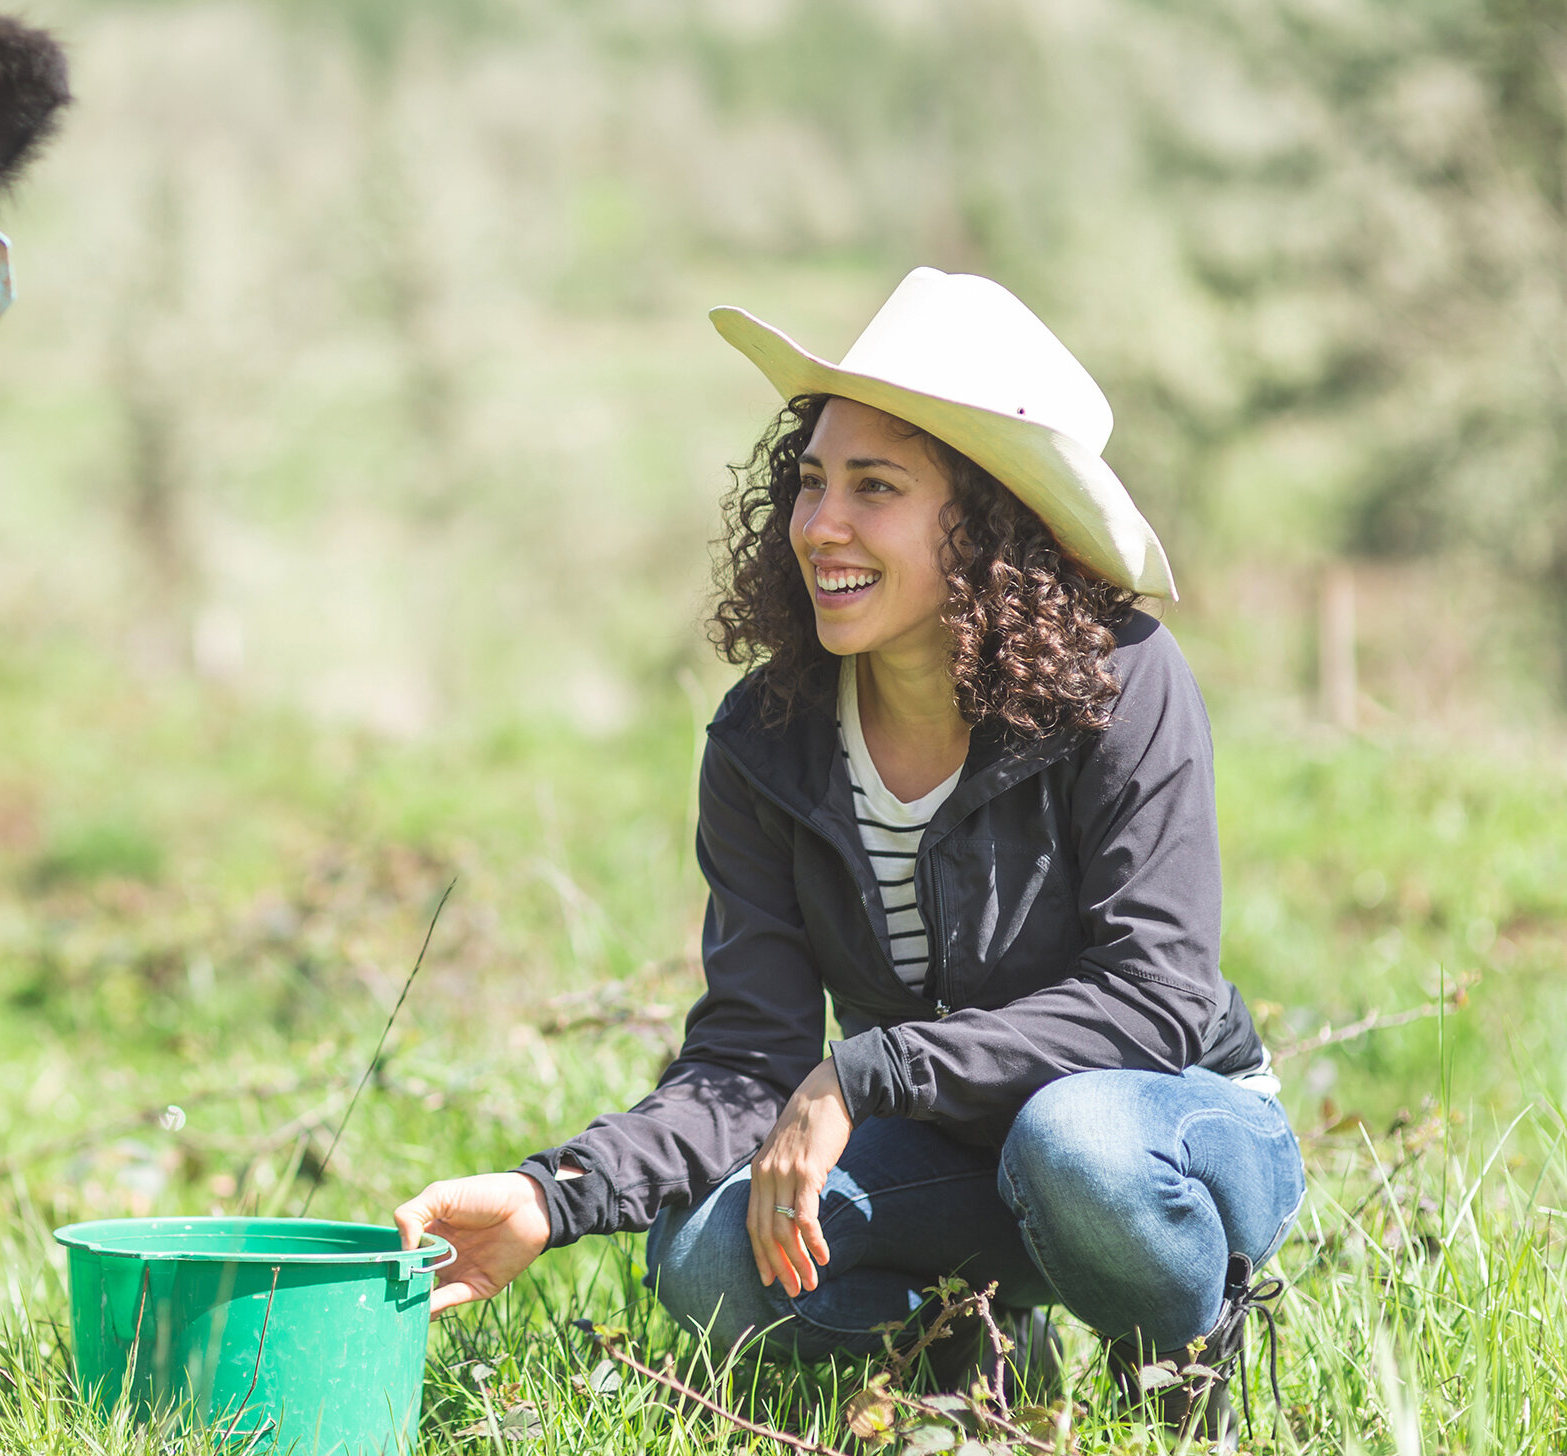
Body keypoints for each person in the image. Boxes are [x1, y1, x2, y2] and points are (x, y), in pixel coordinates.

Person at [393, 269, 1301, 1449]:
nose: (822, 523)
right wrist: (550, 1194)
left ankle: (1181, 1375)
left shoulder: (1120, 683)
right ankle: (969, 1372)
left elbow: (1160, 996)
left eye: (875, 488)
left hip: (1164, 1135)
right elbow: (744, 1060)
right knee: (715, 1251)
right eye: (812, 480)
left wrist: (868, 1071)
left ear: (986, 522)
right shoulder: (767, 740)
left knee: (1071, 1140)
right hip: (960, 1157)